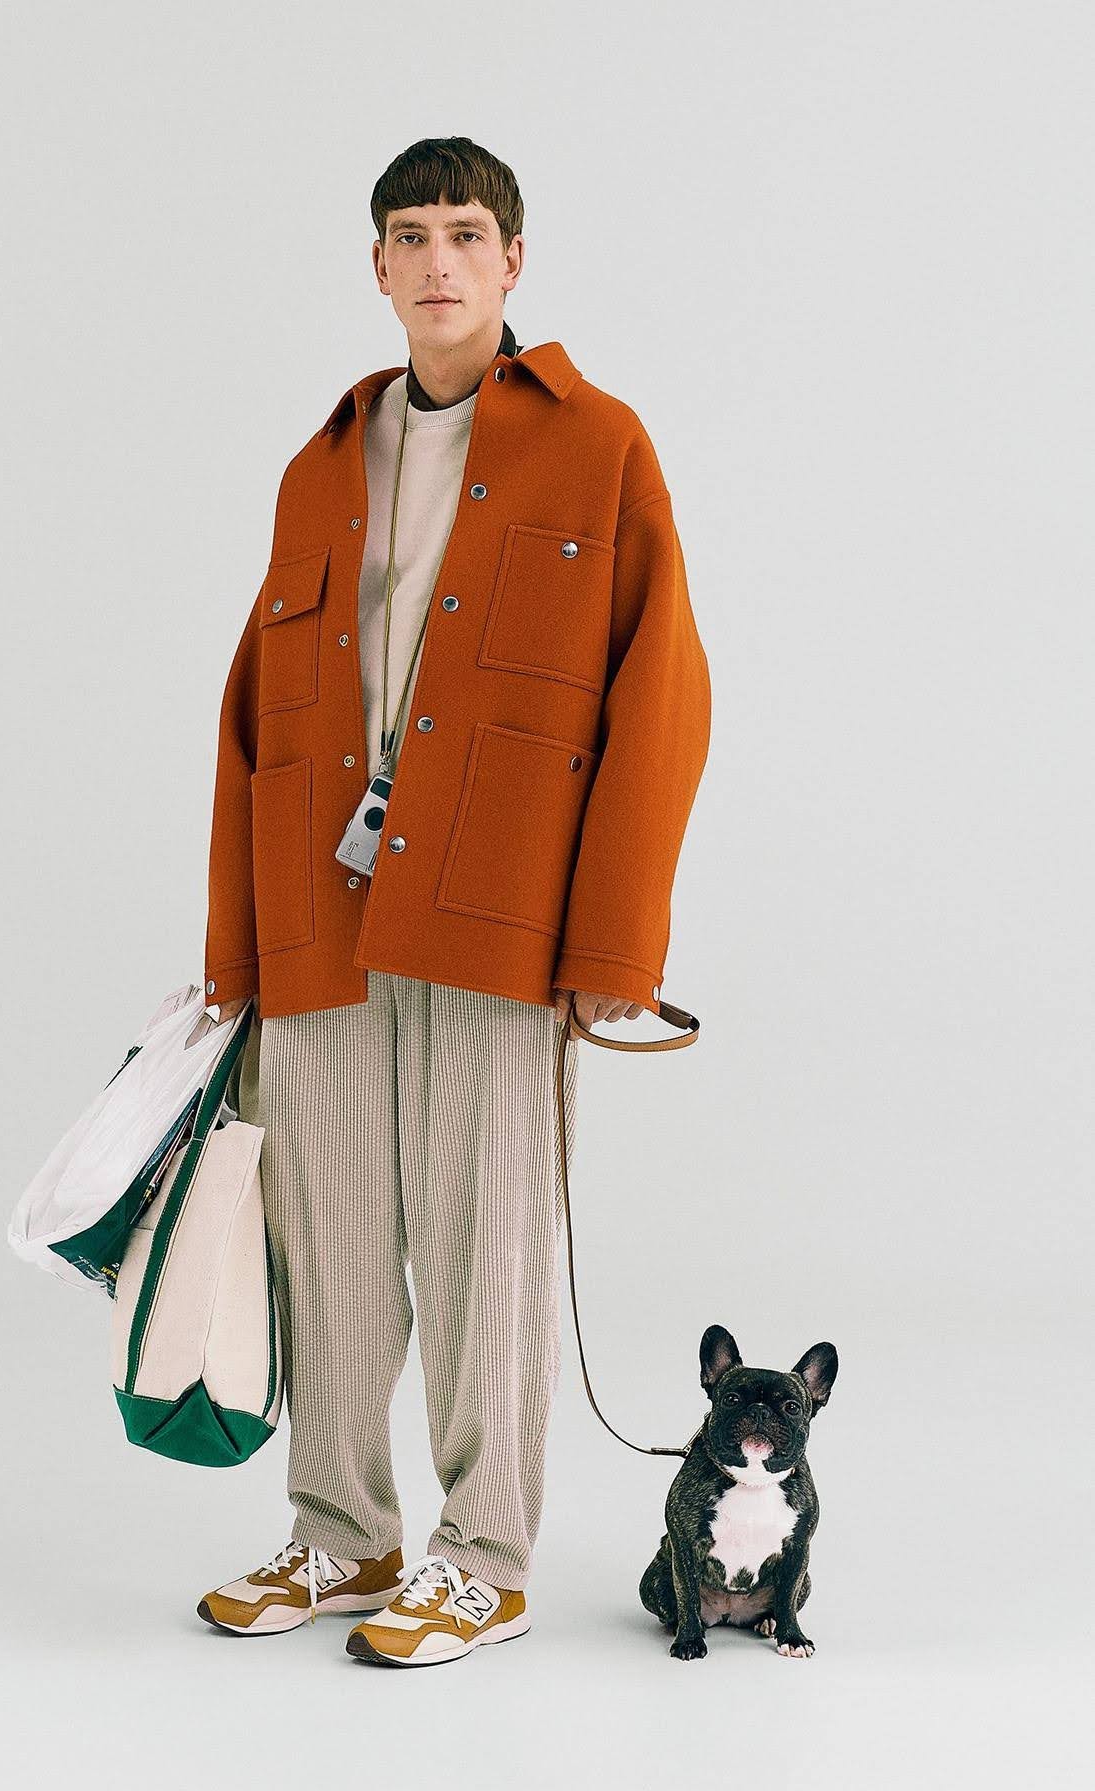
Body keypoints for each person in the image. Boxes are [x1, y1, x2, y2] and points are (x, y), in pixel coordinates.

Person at [196, 137, 711, 1668]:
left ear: (512, 261)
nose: (437, 261)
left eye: (465, 233)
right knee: (328, 1242)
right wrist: (237, 946)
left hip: (500, 914)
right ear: (376, 266)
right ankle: (344, 1535)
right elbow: (255, 715)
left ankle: (484, 1560)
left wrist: (614, 943)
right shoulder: (320, 463)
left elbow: (660, 697)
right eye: (410, 235)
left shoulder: (598, 447)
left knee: (484, 1248)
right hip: (325, 918)